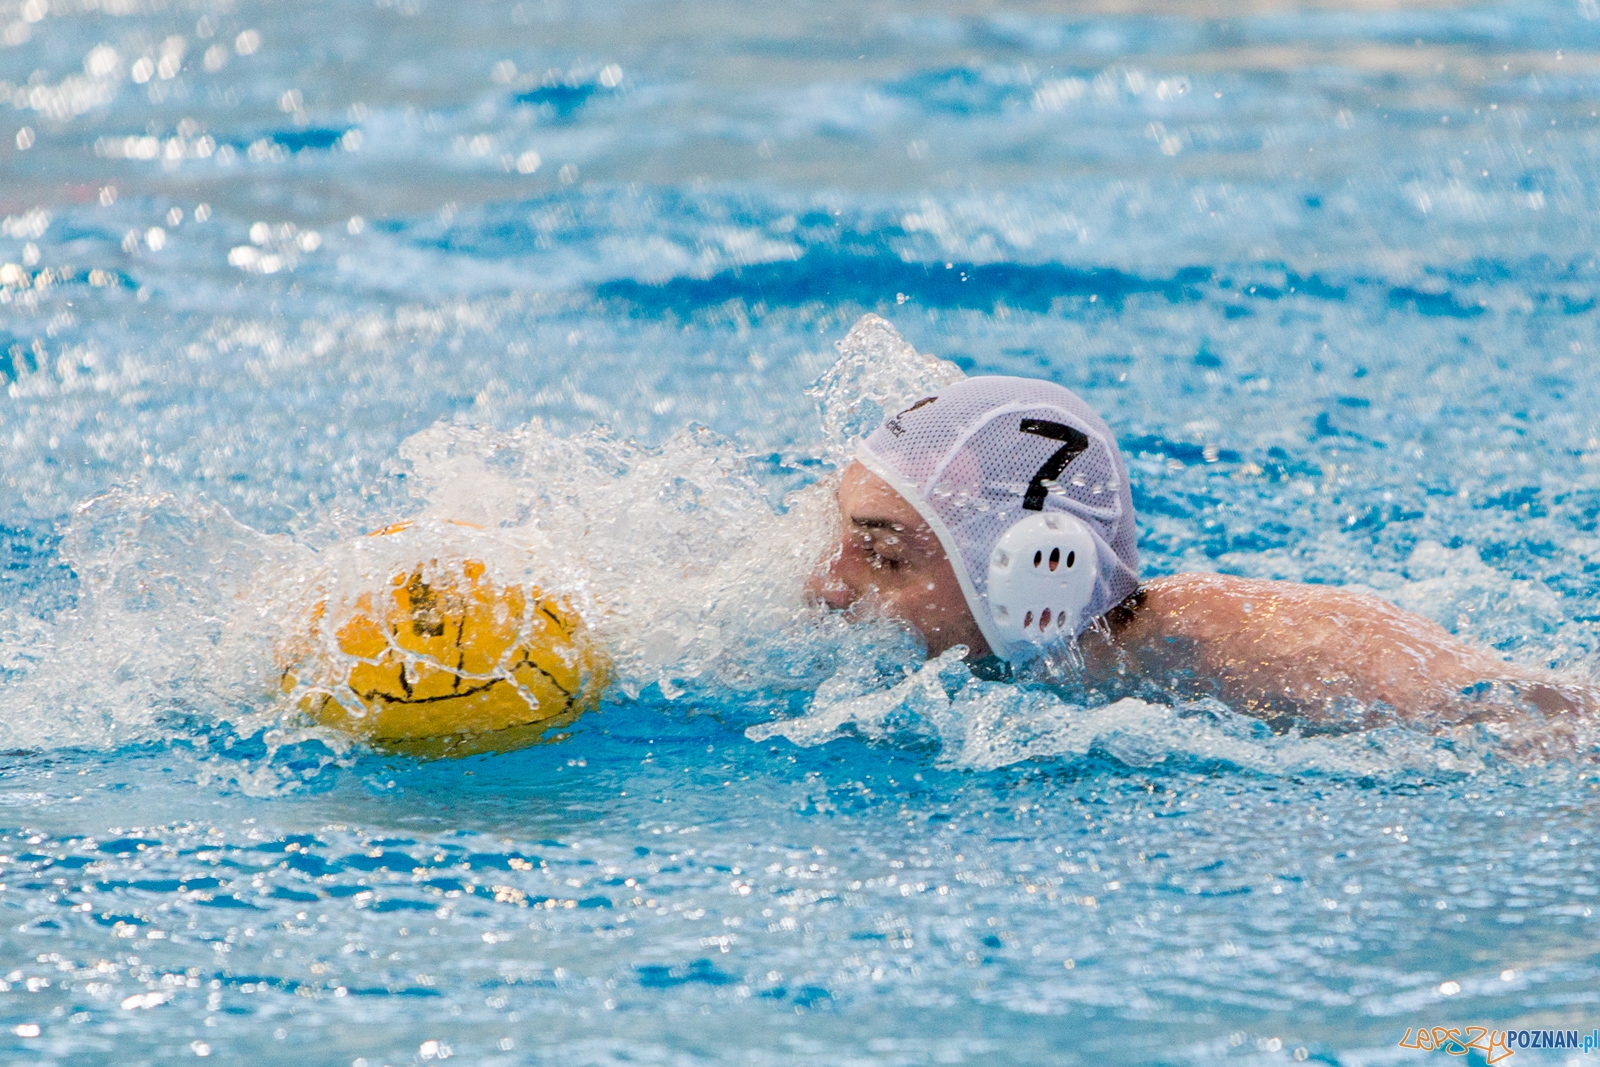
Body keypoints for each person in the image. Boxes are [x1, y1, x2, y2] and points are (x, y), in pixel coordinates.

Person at [807, 376, 1592, 733]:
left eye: (884, 558)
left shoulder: (1253, 647)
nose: (827, 585)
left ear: (1033, 567)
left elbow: (1543, 715)